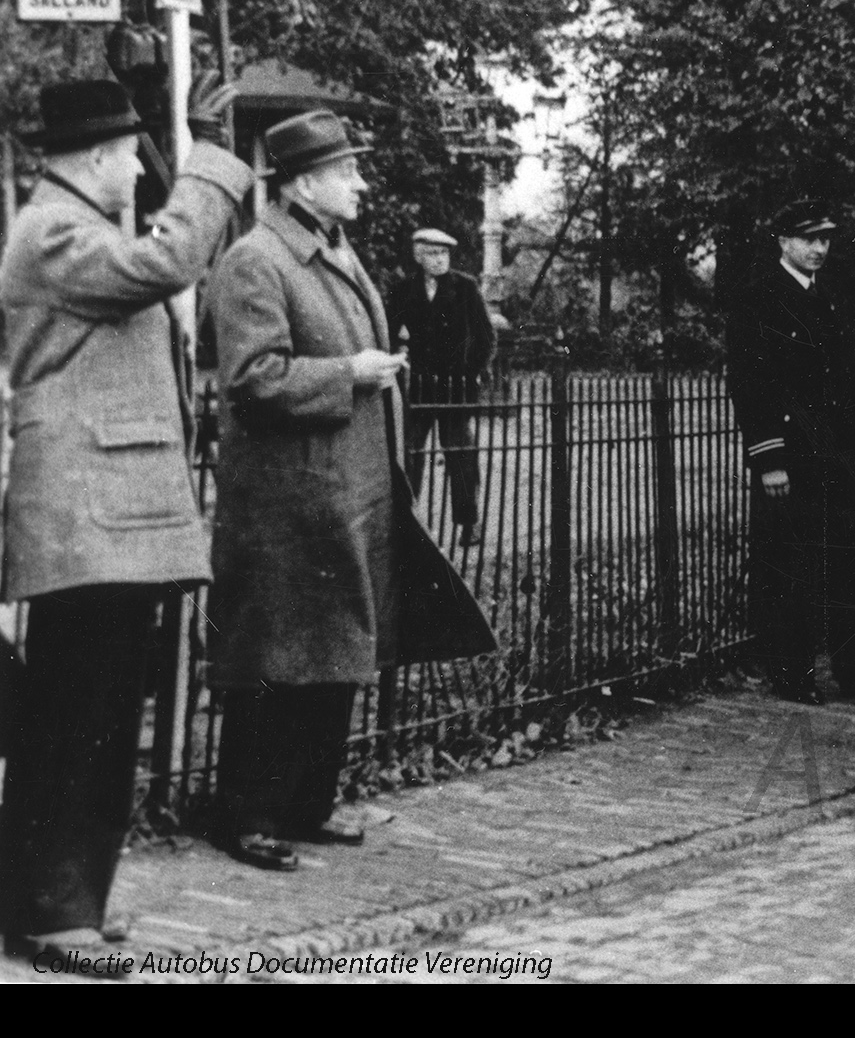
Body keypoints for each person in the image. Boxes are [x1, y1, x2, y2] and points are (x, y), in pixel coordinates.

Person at [1, 76, 251, 973]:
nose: (139, 173)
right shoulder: (55, 232)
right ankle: (53, 914)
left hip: (101, 513)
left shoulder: (69, 227)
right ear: (98, 156)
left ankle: (58, 901)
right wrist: (210, 160)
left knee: (94, 714)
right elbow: (169, 263)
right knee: (79, 718)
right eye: (132, 157)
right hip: (88, 512)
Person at [206, 110, 493, 874]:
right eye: (346, 171)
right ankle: (246, 815)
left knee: (336, 650)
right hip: (289, 503)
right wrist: (351, 373)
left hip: (344, 492)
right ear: (304, 184)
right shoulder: (256, 260)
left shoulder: (333, 248)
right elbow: (252, 380)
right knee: (275, 656)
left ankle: (308, 803)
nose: (361, 183)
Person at [726, 199, 855, 705]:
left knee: (851, 562)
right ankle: (791, 675)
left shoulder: (829, 295)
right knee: (791, 566)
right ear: (783, 241)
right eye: (808, 239)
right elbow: (750, 383)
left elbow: (848, 372)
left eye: (825, 239)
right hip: (791, 453)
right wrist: (768, 459)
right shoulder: (758, 298)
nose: (819, 248)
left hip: (834, 449)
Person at [389, 227, 495, 546]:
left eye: (444, 254)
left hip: (456, 387)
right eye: (433, 254)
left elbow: (486, 337)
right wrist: (398, 359)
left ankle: (469, 522)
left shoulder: (465, 287)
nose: (440, 260)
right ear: (418, 256)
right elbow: (389, 331)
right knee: (411, 452)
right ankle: (409, 521)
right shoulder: (404, 289)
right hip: (420, 386)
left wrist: (471, 372)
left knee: (460, 454)